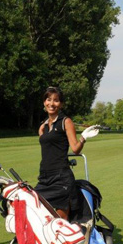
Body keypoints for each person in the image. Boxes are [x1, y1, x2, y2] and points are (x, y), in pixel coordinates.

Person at [35, 86, 99, 219]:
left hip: (61, 177)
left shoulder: (66, 121)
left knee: (60, 224)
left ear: (61, 104)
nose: (52, 104)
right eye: (49, 100)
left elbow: (75, 149)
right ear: (44, 102)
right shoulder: (43, 126)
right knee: (37, 211)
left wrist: (84, 137)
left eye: (56, 100)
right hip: (44, 177)